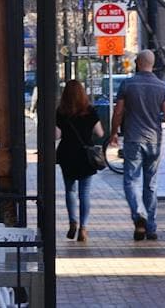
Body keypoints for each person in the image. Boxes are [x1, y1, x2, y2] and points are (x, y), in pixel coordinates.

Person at [109, 49, 165, 241]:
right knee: (151, 184)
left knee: (131, 180)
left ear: (138, 63)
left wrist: (114, 132)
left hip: (133, 138)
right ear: (152, 64)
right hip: (154, 140)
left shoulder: (127, 84)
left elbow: (118, 112)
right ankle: (151, 227)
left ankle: (139, 213)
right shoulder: (162, 86)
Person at [56, 79, 106, 242]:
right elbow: (100, 133)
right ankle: (83, 228)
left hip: (67, 154)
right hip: (85, 156)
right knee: (84, 193)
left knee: (70, 190)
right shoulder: (90, 111)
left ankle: (72, 222)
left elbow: (56, 135)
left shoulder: (61, 112)